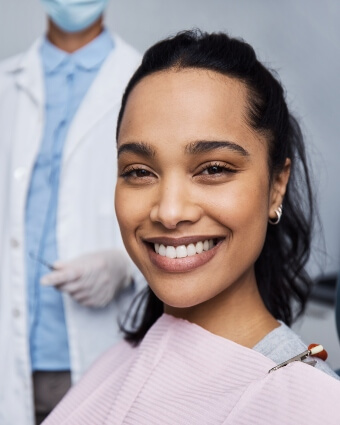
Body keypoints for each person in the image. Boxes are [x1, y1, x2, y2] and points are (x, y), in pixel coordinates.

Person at [44, 30, 340, 424]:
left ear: (276, 186)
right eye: (139, 171)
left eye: (214, 169)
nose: (168, 212)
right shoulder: (114, 363)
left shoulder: (309, 405)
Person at [0, 1, 142, 424]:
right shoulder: (6, 84)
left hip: (99, 356)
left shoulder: (142, 82)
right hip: (10, 355)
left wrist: (127, 265)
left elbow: (173, 209)